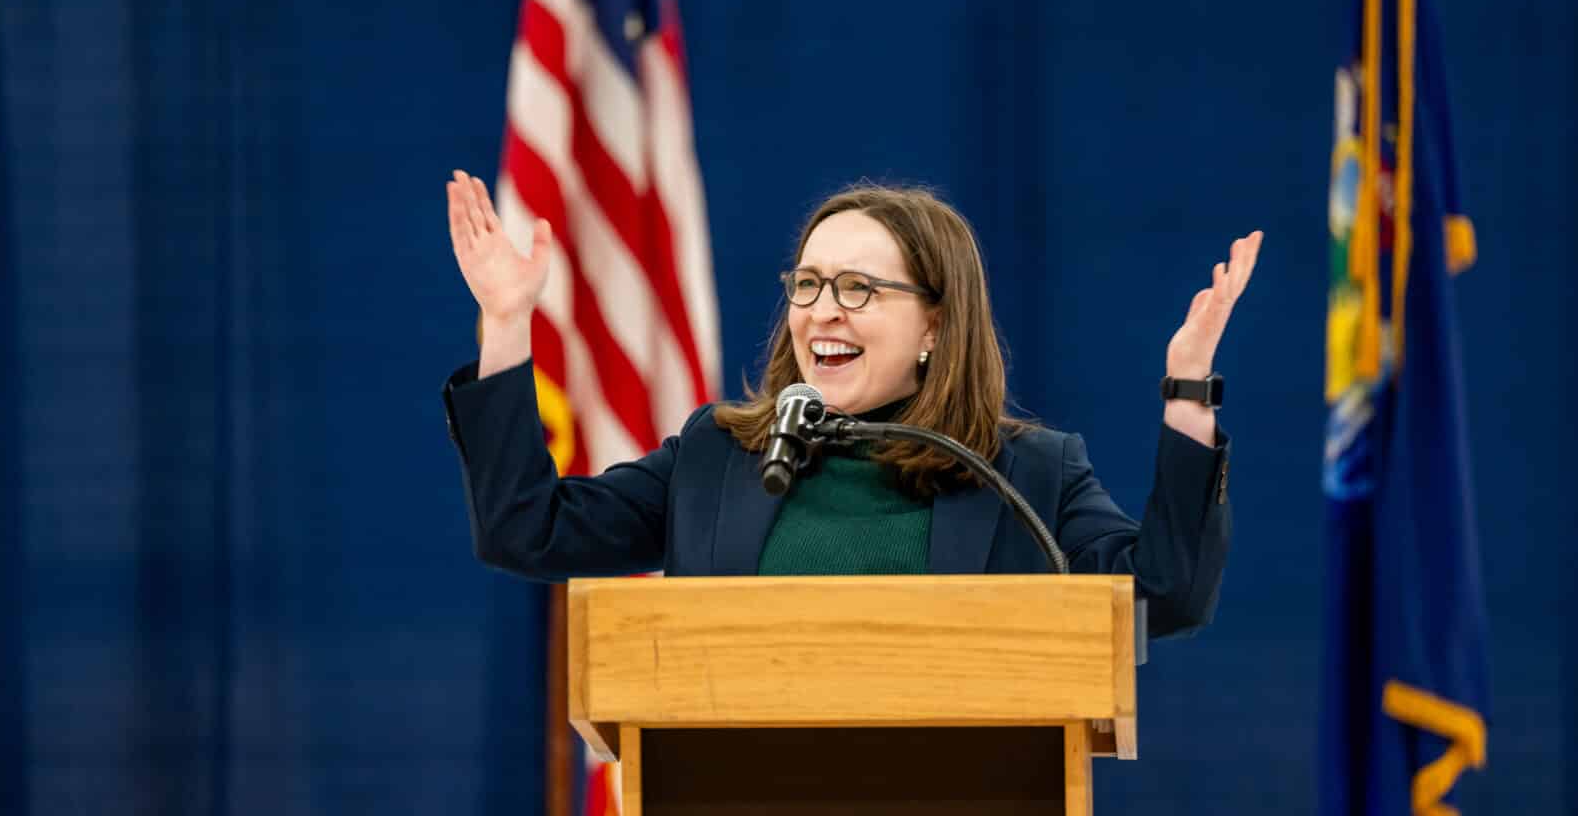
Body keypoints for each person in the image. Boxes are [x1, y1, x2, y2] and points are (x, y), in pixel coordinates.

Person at [441, 172, 1262, 638]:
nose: (821, 310)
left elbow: (1166, 592)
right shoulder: (718, 459)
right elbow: (527, 528)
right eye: (808, 283)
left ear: (934, 325)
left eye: (859, 289)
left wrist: (1189, 389)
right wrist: (509, 324)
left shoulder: (1026, 477)